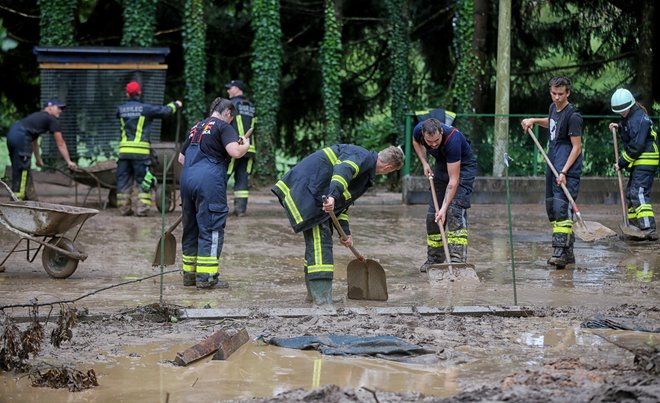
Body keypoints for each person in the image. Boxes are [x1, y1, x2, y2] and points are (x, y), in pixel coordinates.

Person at [272, 145, 404, 305]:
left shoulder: (364, 173)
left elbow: (342, 205)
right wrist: (333, 195)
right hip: (307, 193)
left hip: (315, 195)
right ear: (389, 167)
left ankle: (314, 295)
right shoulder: (360, 157)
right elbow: (343, 170)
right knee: (321, 243)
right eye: (389, 172)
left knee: (316, 244)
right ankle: (322, 299)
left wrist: (345, 233)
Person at [177, 97, 250, 288]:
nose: (230, 122)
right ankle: (207, 278)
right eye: (231, 118)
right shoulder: (223, 126)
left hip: (186, 180)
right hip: (209, 181)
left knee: (190, 227)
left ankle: (189, 275)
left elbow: (181, 158)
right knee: (211, 227)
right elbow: (235, 152)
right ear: (228, 113)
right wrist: (246, 145)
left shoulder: (196, 127)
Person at [521, 77, 583, 268]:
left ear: (568, 93)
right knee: (551, 207)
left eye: (561, 94)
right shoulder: (553, 108)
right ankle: (568, 251)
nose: (557, 98)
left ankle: (559, 253)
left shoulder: (573, 116)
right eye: (554, 94)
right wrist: (534, 120)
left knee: (560, 207)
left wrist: (564, 171)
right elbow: (552, 123)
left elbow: (576, 147)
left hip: (566, 166)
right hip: (552, 161)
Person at [413, 118, 477, 272]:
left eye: (436, 140)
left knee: (454, 210)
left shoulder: (452, 139)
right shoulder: (418, 130)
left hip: (462, 169)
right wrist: (425, 163)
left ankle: (457, 259)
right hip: (441, 166)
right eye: (429, 142)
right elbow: (416, 142)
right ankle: (434, 259)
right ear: (423, 134)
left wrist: (444, 208)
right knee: (432, 217)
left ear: (441, 131)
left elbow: (453, 181)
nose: (433, 144)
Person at [116, 81, 182, 216]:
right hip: (140, 152)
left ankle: (124, 208)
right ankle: (142, 209)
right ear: (139, 92)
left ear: (127, 93)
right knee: (143, 180)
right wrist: (176, 104)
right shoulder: (145, 109)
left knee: (123, 180)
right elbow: (165, 111)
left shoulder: (120, 110)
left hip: (124, 152)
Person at [609, 88, 658, 240]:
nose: (621, 114)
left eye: (623, 111)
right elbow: (629, 131)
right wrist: (618, 128)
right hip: (639, 159)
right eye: (619, 112)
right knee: (631, 192)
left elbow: (637, 145)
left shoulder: (639, 118)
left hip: (646, 158)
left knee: (639, 193)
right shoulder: (630, 116)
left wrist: (621, 163)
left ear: (630, 105)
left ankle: (648, 227)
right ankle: (634, 225)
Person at [6, 100, 78, 200]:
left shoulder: (38, 118)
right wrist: (69, 161)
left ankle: (22, 197)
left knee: (19, 168)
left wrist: (38, 159)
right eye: (58, 108)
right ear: (49, 108)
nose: (60, 111)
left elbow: (33, 141)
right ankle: (17, 200)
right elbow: (60, 143)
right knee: (22, 170)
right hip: (21, 138)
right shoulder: (51, 119)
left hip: (12, 135)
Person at [225, 79, 256, 217]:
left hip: (234, 146)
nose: (228, 91)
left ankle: (217, 207)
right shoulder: (251, 106)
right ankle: (240, 210)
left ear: (237, 89)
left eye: (230, 88)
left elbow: (226, 124)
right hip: (249, 149)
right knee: (242, 179)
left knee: (222, 176)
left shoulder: (231, 105)